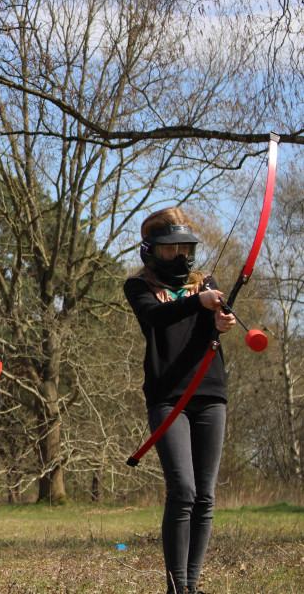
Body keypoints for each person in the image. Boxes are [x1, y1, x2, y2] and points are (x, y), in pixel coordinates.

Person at [123, 207, 237, 594]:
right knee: (183, 489)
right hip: (168, 397)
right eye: (171, 249)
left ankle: (189, 587)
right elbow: (156, 317)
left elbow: (215, 321)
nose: (180, 256)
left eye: (185, 248)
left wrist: (221, 320)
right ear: (151, 250)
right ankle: (176, 588)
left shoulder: (204, 282)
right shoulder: (137, 286)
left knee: (205, 495)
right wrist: (200, 302)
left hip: (209, 392)